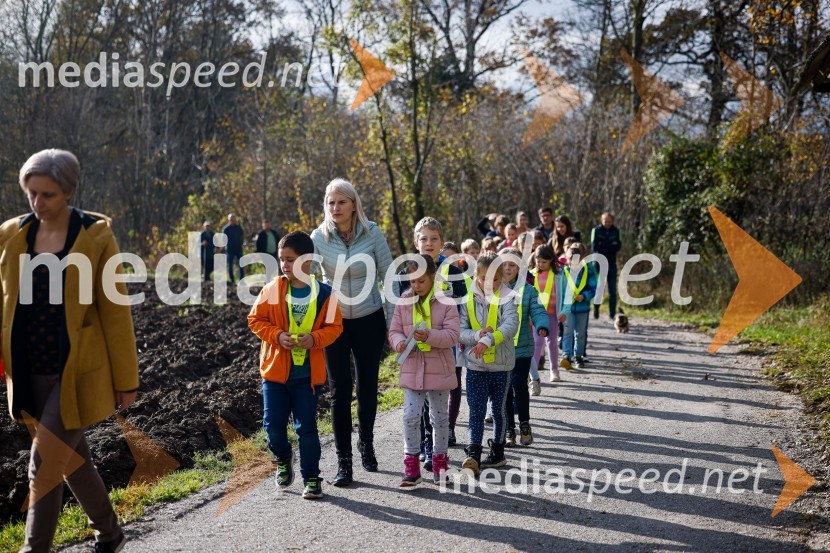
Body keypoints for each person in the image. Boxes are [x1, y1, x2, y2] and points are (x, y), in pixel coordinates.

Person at [0, 149, 138, 552]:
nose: (37, 203)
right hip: (28, 370)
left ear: (69, 191)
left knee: (43, 466)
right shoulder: (12, 234)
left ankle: (35, 548)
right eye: (31, 193)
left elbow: (115, 313)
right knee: (73, 462)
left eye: (47, 195)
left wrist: (126, 380)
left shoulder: (95, 236)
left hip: (77, 372)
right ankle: (110, 534)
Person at [248, 231, 343, 500]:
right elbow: (255, 320)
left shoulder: (326, 294)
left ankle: (312, 478)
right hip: (275, 374)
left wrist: (315, 339)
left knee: (306, 428)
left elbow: (335, 327)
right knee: (272, 426)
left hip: (307, 377)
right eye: (281, 260)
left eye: (290, 259)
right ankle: (282, 457)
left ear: (307, 260)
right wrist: (277, 336)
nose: (284, 265)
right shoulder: (272, 289)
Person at [310, 178, 393, 486]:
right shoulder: (318, 237)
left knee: (367, 386)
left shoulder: (372, 233)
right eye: (331, 202)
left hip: (369, 318)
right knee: (339, 391)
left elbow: (389, 277)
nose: (336, 207)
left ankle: (366, 443)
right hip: (334, 323)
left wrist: (394, 323)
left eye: (341, 202)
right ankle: (344, 462)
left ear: (354, 204)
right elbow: (308, 281)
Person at [393, 217, 467, 469]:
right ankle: (425, 445)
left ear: (441, 242)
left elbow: (461, 305)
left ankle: (442, 437)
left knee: (444, 390)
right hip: (415, 350)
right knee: (418, 398)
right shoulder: (406, 274)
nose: (429, 243)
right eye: (423, 238)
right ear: (416, 242)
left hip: (444, 343)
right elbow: (401, 311)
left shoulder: (453, 272)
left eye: (434, 239)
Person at [389, 255, 460, 486]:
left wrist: (429, 335)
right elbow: (394, 330)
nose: (416, 286)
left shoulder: (446, 302)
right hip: (412, 368)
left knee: (439, 419)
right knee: (410, 417)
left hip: (439, 368)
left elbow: (452, 335)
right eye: (413, 281)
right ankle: (411, 467)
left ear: (432, 277)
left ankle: (440, 465)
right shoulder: (404, 301)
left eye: (421, 281)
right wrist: (399, 342)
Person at [459, 252, 518, 476]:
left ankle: (498, 450)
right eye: (484, 278)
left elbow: (511, 325)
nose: (489, 283)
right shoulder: (468, 298)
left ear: (501, 277)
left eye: (495, 278)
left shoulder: (509, 297)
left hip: (501, 366)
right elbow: (460, 330)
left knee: (498, 410)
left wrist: (489, 339)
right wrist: (476, 336)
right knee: (476, 410)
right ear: (477, 276)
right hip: (475, 365)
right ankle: (473, 452)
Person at [499, 248, 549, 446]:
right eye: (504, 264)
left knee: (519, 385)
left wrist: (542, 324)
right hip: (501, 348)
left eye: (512, 264)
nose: (507, 268)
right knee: (505, 389)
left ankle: (525, 424)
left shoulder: (528, 290)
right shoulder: (493, 290)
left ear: (520, 268)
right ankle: (509, 428)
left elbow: (538, 310)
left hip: (522, 347)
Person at [529, 246, 569, 391]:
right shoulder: (531, 275)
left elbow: (568, 294)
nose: (540, 264)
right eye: (538, 261)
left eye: (544, 262)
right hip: (536, 315)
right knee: (537, 343)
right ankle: (532, 374)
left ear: (551, 260)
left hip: (552, 314)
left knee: (552, 343)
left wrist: (565, 311)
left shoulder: (560, 275)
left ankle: (554, 370)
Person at [561, 242, 598, 370]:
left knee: (580, 334)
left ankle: (578, 356)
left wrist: (584, 296)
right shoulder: (563, 272)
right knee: (567, 332)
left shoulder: (588, 271)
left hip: (583, 309)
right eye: (570, 259)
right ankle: (566, 356)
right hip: (568, 310)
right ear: (567, 259)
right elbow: (559, 290)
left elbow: (594, 288)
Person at [591, 211, 622, 319]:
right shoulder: (596, 230)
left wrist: (603, 245)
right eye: (605, 221)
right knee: (599, 287)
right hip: (598, 263)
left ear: (612, 221)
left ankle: (612, 314)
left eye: (609, 221)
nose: (607, 223)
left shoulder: (616, 231)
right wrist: (610, 245)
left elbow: (618, 246)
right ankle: (596, 307)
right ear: (602, 220)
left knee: (612, 289)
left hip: (611, 263)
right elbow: (595, 247)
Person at [222, 213, 245, 284]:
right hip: (230, 250)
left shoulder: (239, 228)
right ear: (229, 220)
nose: (233, 221)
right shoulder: (226, 229)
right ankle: (232, 280)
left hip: (238, 249)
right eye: (231, 220)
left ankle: (241, 280)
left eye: (234, 219)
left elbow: (242, 237)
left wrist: (241, 244)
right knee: (230, 265)